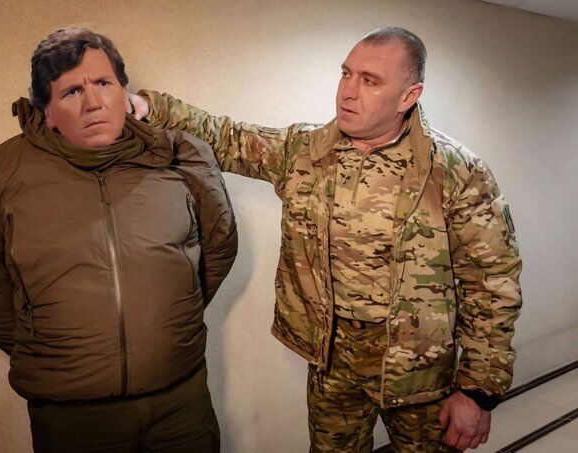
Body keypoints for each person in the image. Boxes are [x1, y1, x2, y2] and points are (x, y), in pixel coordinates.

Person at [130, 26, 522, 452]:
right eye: (346, 73)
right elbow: (229, 138)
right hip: (332, 364)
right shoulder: (307, 150)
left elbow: (492, 282)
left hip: (419, 372)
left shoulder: (456, 171)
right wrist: (150, 109)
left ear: (408, 96)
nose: (348, 92)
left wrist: (477, 390)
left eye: (370, 81)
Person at [0, 27, 237, 453]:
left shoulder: (179, 157)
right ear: (47, 110)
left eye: (104, 83)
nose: (94, 102)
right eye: (71, 91)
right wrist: (44, 341)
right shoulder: (1, 173)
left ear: (124, 92)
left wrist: (170, 320)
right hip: (72, 420)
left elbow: (218, 247)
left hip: (181, 404)